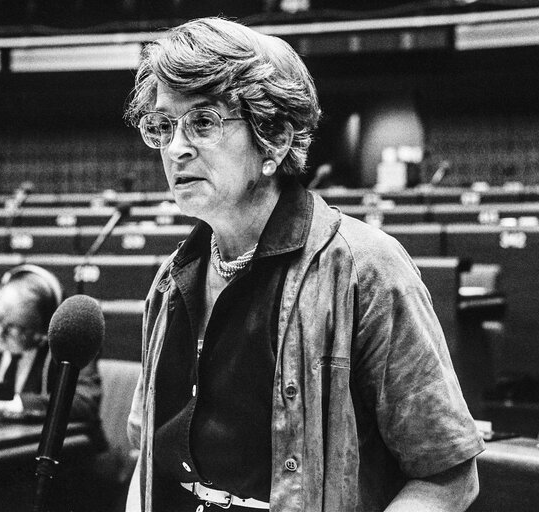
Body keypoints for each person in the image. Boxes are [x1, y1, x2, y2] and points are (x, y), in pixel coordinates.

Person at [123, 17, 484, 512]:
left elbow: (449, 476)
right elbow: (148, 454)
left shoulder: (366, 269)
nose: (176, 147)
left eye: (202, 122)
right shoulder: (170, 280)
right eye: (163, 126)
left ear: (272, 138)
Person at [0, 264, 104, 434]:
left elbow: (85, 402)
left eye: (13, 328)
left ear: (42, 331)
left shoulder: (69, 344)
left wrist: (11, 404)